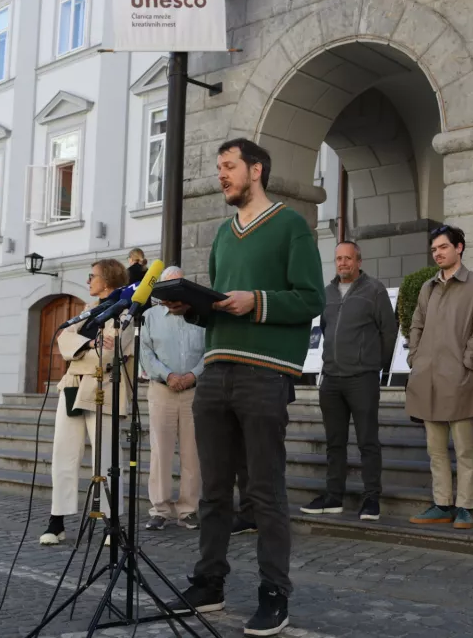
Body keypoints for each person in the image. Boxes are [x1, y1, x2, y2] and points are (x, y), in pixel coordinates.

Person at [166, 138, 324, 636]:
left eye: (229, 167)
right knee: (212, 489)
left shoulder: (291, 226)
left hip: (264, 373)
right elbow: (218, 305)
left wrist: (254, 300)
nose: (222, 176)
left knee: (263, 491)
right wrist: (191, 306)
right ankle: (209, 583)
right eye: (219, 169)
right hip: (216, 372)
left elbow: (311, 299)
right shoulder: (221, 233)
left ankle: (274, 593)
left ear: (256, 170)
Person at [301, 240, 397, 521]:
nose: (342, 263)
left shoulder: (374, 290)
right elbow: (327, 329)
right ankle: (333, 497)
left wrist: (374, 365)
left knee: (368, 441)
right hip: (331, 379)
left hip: (362, 379)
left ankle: (371, 499)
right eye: (339, 259)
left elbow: (388, 332)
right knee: (334, 442)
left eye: (348, 258)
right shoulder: (327, 292)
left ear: (359, 261)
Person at [40, 259, 133, 546]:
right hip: (72, 387)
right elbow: (63, 340)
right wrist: (89, 346)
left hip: (103, 388)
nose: (88, 281)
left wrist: (80, 349)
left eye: (92, 276)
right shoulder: (88, 311)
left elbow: (110, 355)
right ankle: (57, 521)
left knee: (106, 458)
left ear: (107, 280)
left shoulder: (127, 312)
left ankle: (111, 521)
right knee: (63, 454)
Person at [405, 226, 473, 528]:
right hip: (427, 377)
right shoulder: (427, 287)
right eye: (434, 249)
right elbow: (416, 323)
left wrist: (467, 363)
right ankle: (442, 503)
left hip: (459, 379)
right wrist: (414, 358)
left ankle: (465, 506)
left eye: (443, 247)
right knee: (436, 449)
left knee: (464, 449)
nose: (438, 253)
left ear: (459, 248)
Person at [141, 266, 205, 531]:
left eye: (178, 285)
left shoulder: (200, 315)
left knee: (193, 452)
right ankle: (160, 509)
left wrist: (192, 375)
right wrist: (168, 376)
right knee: (160, 451)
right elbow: (145, 351)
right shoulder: (149, 316)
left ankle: (188, 509)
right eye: (168, 287)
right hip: (161, 389)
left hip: (194, 390)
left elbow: (211, 348)